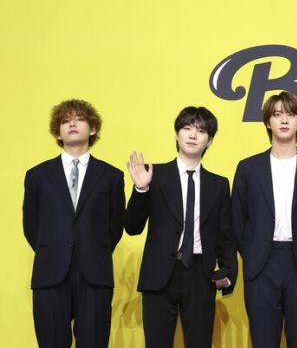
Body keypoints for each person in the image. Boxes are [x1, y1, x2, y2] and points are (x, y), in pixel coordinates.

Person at [232, 91, 297, 347]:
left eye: (290, 115)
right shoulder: (248, 168)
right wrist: (253, 252)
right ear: (267, 122)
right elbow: (236, 221)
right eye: (277, 114)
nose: (284, 120)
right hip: (261, 266)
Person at [125, 106, 236, 348]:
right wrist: (141, 189)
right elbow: (132, 227)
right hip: (159, 274)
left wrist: (228, 271)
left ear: (210, 140)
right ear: (177, 134)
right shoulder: (154, 175)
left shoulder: (218, 185)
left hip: (200, 275)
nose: (192, 135)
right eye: (186, 128)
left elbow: (225, 234)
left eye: (201, 131)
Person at [23, 99, 125, 347]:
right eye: (65, 121)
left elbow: (115, 226)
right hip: (50, 274)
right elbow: (31, 226)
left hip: (95, 275)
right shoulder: (37, 175)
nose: (72, 124)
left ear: (93, 129)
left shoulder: (111, 176)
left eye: (79, 119)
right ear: (57, 132)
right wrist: (54, 249)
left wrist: (93, 250)